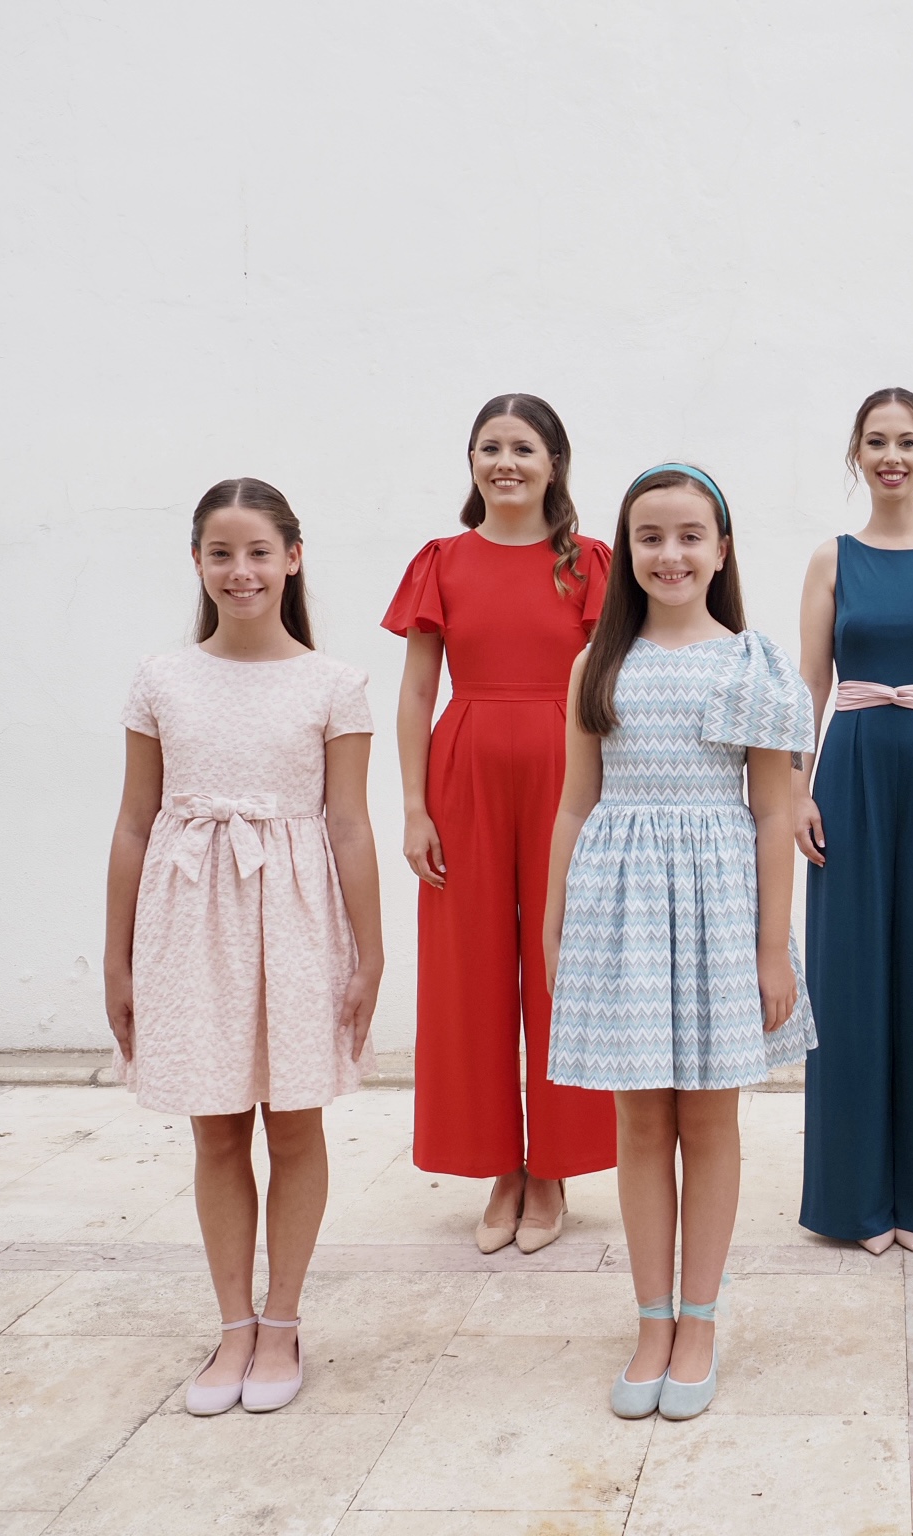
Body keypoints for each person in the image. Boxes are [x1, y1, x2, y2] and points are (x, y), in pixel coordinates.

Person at [543, 463, 815, 1422]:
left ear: (722, 550)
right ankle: (650, 1318)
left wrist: (772, 950)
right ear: (627, 552)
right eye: (650, 537)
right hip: (621, 912)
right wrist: (557, 926)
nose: (671, 554)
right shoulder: (596, 665)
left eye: (691, 535)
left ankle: (699, 1321)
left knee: (707, 1122)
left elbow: (774, 811)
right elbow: (575, 804)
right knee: (639, 1124)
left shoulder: (751, 664)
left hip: (716, 912)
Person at [104, 478, 381, 1416]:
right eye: (221, 553)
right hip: (187, 922)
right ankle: (233, 1326)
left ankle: (283, 1321)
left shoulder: (335, 684)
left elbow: (349, 825)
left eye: (260, 552)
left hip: (297, 922)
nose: (241, 571)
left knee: (294, 1124)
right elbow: (134, 822)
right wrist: (117, 957)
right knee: (216, 1128)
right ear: (196, 561)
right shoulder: (161, 679)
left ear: (293, 558)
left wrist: (371, 956)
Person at [384, 394, 616, 1256]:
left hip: (566, 773)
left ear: (555, 463)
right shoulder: (442, 560)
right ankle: (499, 1168)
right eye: (490, 447)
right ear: (472, 462)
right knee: (469, 973)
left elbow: (611, 684)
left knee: (562, 967)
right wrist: (414, 807)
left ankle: (553, 1166)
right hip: (466, 775)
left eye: (523, 447)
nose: (505, 462)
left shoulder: (588, 562)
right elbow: (417, 689)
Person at [793, 388, 913, 1255]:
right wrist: (797, 789)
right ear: (857, 455)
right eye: (876, 442)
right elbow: (809, 684)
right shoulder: (830, 560)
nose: (891, 456)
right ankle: (855, 1202)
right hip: (852, 772)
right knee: (848, 979)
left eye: (906, 442)